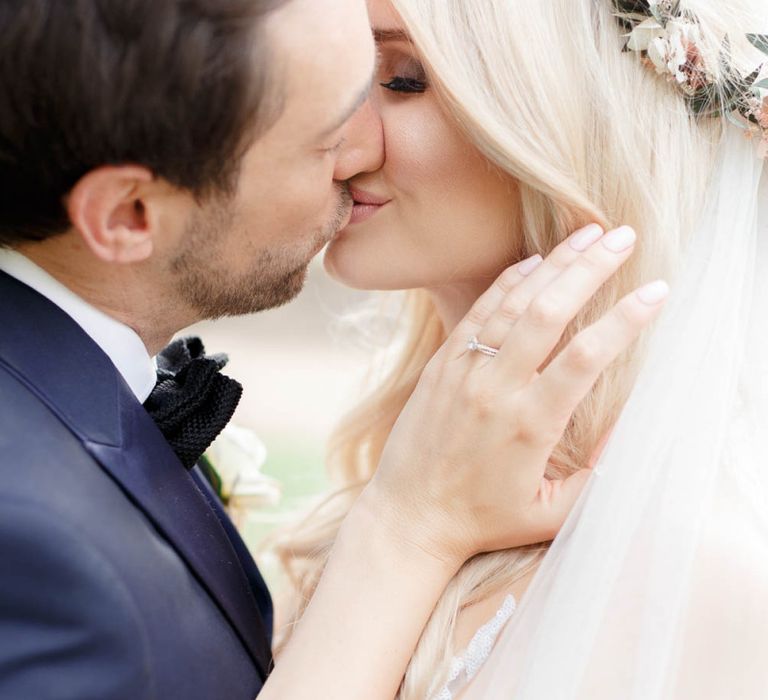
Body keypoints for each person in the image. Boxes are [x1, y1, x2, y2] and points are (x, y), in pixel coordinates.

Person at [0, 1, 665, 699]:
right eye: (321, 135)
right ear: (130, 214)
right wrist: (407, 527)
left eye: (401, 80)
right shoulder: (30, 541)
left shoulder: (690, 563)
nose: (355, 153)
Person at [275, 0, 768, 698]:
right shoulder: (417, 459)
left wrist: (403, 529)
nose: (341, 145)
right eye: (342, 78)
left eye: (405, 78)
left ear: (578, 115)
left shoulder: (702, 577)